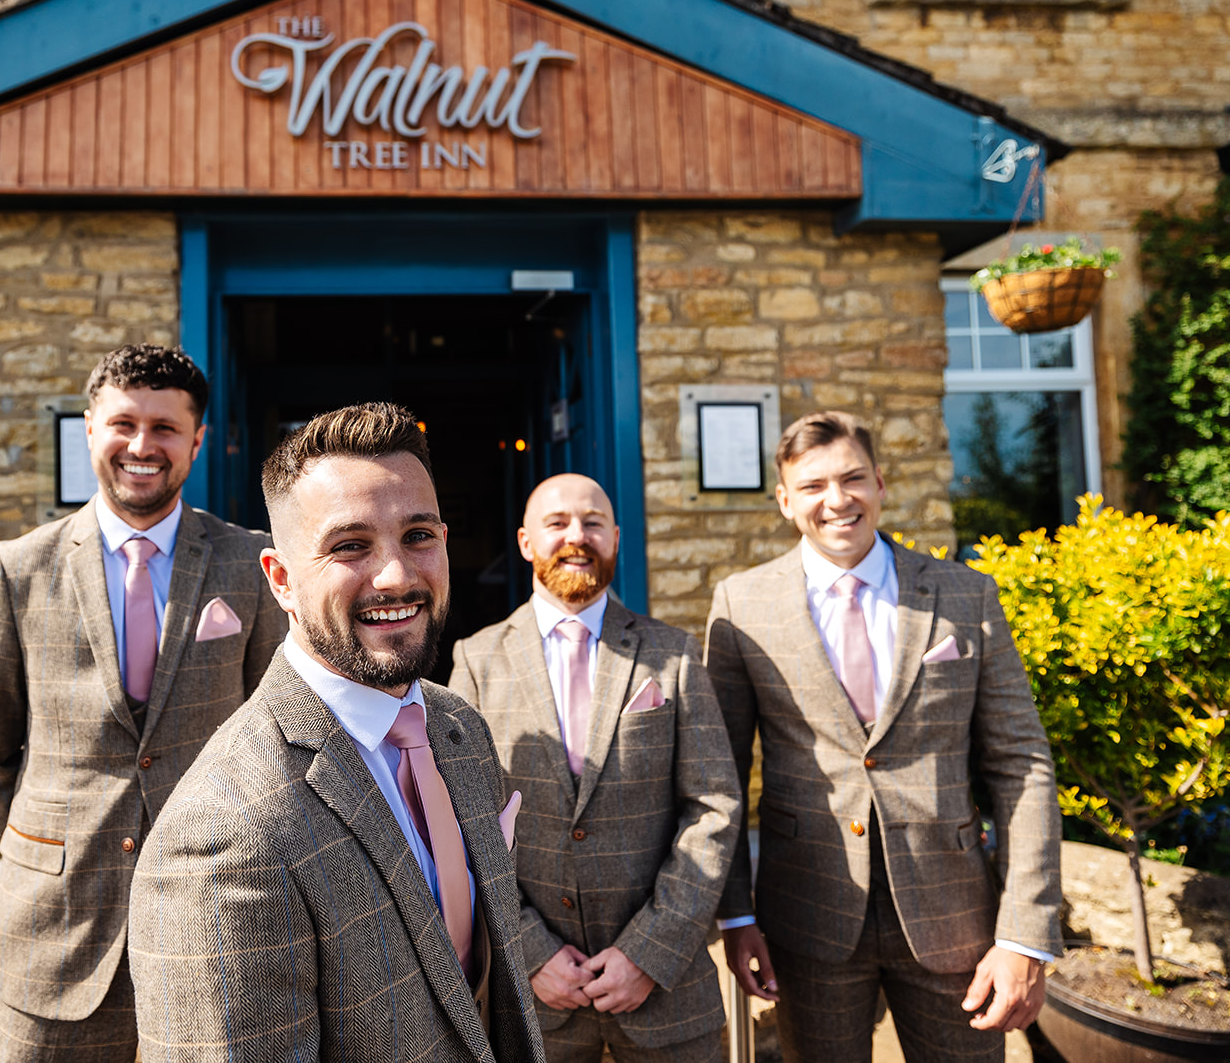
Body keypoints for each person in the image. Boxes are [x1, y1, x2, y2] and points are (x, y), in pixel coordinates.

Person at [127, 402, 547, 1063]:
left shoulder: (458, 728)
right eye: (351, 545)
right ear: (282, 580)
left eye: (418, 536)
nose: (397, 576)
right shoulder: (220, 832)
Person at [0, 344, 284, 1062]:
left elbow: (279, 726)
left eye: (164, 428)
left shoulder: (249, 562)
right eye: (123, 423)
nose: (141, 445)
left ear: (196, 442)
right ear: (90, 429)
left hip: (214, 917)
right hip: (56, 931)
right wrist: (43, 842)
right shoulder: (17, 569)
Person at [705, 410, 1062, 1062]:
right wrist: (736, 915)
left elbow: (1022, 762)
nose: (836, 499)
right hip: (806, 917)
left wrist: (1025, 934)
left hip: (955, 919)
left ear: (881, 483)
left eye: (852, 478)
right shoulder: (741, 606)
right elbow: (719, 773)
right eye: (812, 485)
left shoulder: (966, 595)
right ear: (785, 501)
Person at [448, 473, 741, 1063]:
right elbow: (460, 824)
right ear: (527, 542)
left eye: (593, 523)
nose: (576, 537)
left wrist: (648, 952)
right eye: (557, 524)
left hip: (668, 999)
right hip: (535, 1007)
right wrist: (529, 951)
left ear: (616, 537)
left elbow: (714, 807)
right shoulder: (476, 661)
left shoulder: (674, 655)